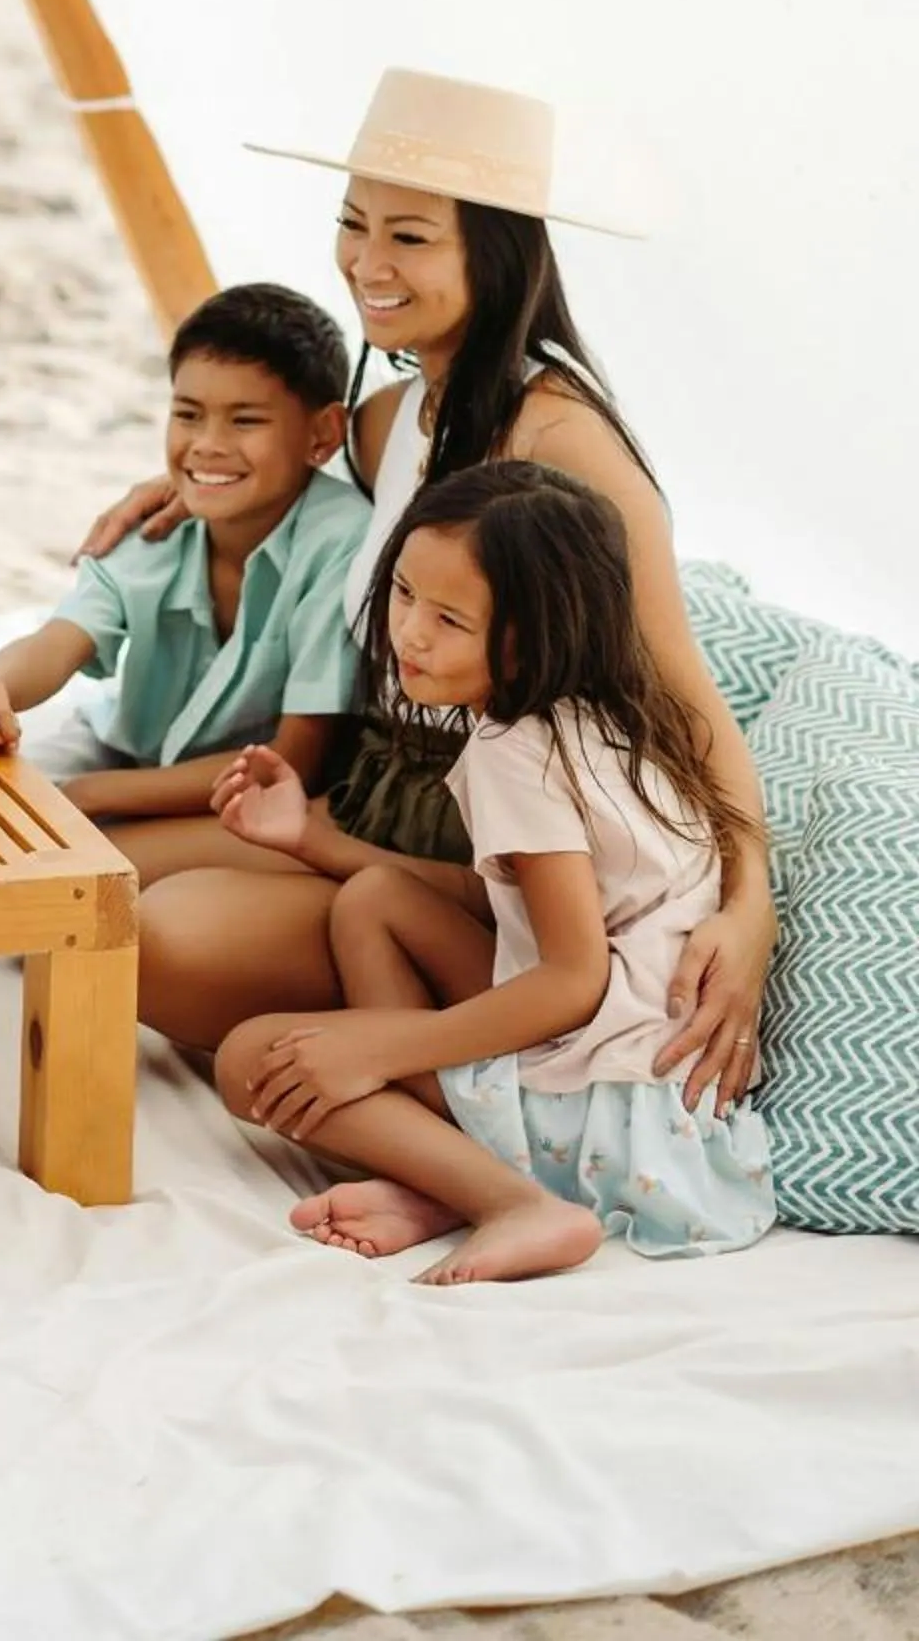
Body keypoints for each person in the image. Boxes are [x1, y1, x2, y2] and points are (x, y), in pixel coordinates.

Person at [83, 70, 775, 1104]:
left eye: (408, 236)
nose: (365, 262)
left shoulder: (559, 439)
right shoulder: (390, 414)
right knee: (73, 871)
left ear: (490, 257)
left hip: (482, 847)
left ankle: (436, 1090)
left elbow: (680, 688)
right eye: (352, 224)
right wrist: (192, 478)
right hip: (370, 800)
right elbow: (287, 462)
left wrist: (748, 911)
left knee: (145, 939)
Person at [213, 462, 774, 1282]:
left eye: (449, 619)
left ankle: (514, 1201)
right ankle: (443, 1176)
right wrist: (311, 840)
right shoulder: (618, 714)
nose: (409, 634)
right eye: (403, 595)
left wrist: (381, 1047)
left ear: (533, 635)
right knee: (374, 900)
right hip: (666, 1108)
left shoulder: (514, 751)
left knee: (250, 1059)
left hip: (606, 1106)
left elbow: (573, 977)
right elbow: (503, 899)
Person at [0, 285, 367, 882]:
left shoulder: (340, 542)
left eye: (246, 420)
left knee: (52, 872)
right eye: (188, 414)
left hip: (247, 798)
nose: (208, 444)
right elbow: (58, 641)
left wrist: (97, 795)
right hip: (125, 750)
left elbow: (293, 761)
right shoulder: (160, 525)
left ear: (322, 435)